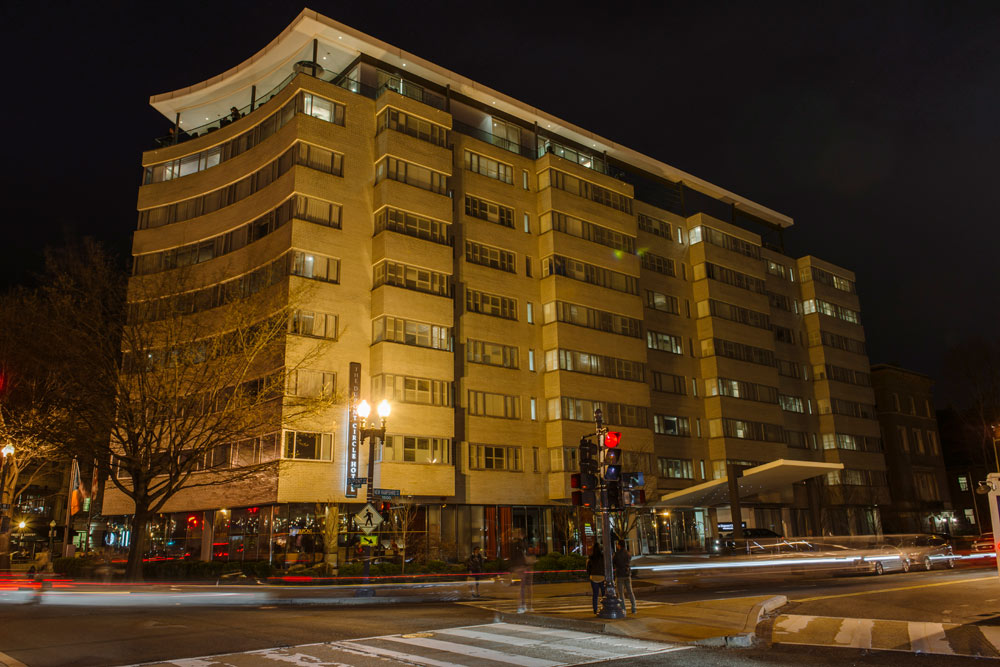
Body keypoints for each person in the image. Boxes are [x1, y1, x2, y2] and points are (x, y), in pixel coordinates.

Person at [509, 528, 533, 613]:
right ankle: (523, 605)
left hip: (524, 566)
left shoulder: (522, 542)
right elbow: (516, 555)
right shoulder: (517, 543)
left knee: (527, 587)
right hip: (521, 567)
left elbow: (526, 552)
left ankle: (526, 605)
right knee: (524, 587)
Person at [613, 540, 637, 614]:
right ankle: (634, 607)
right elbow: (629, 560)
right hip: (627, 573)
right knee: (630, 591)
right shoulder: (628, 553)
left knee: (621, 593)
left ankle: (623, 609)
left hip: (620, 574)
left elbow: (613, 562)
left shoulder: (616, 554)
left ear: (619, 545)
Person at [587, 544, 605, 615]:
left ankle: (595, 609)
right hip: (602, 576)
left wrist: (590, 575)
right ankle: (604, 607)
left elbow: (588, 568)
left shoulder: (591, 557)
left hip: (593, 577)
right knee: (604, 593)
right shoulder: (603, 556)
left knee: (595, 594)